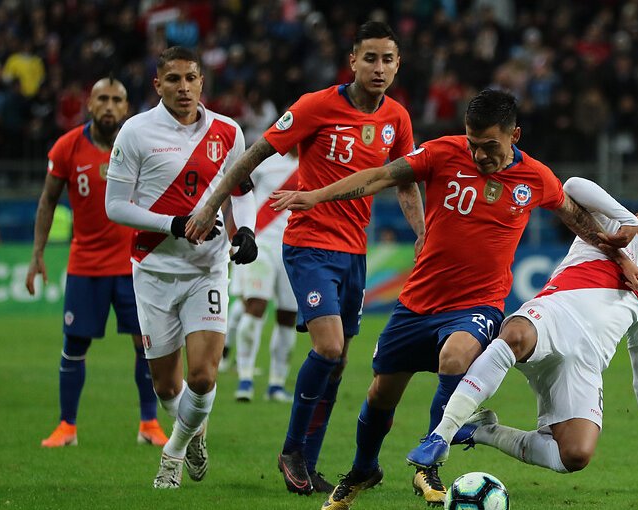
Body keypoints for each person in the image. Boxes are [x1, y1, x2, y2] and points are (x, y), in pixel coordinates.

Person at [270, 89, 638, 509]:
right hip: (418, 301)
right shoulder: (441, 153)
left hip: (478, 304)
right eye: (473, 143)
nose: (480, 155)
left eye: (490, 146)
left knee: (455, 356)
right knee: (381, 394)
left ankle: (430, 462)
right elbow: (379, 176)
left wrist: (620, 256)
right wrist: (317, 195)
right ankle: (362, 469)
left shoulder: (535, 177)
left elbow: (578, 219)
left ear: (514, 136)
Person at [185, 21, 425, 495]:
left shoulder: (396, 118)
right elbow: (254, 154)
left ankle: (309, 463)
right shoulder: (316, 105)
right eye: (370, 58)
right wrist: (212, 205)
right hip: (310, 243)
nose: (379, 68)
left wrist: (423, 235)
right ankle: (292, 448)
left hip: (354, 251)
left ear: (398, 65)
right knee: (330, 348)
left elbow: (405, 180)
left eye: (388, 60)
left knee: (338, 363)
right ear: (352, 61)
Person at [406, 181, 638, 497]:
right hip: (552, 318)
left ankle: (479, 431)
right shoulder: (612, 227)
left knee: (574, 455)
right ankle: (441, 435)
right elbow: (572, 186)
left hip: (584, 366)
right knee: (516, 334)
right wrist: (625, 226)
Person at [104, 46, 258, 489]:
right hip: (152, 269)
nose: (184, 87)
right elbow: (115, 205)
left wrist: (243, 230)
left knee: (204, 375)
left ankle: (172, 453)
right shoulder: (135, 132)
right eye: (174, 79)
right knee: (167, 387)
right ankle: (189, 434)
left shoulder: (228, 132)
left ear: (202, 81)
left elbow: (241, 189)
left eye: (191, 78)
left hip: (206, 269)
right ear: (158, 85)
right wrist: (172, 224)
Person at [26, 77, 169, 449]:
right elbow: (47, 201)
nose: (109, 106)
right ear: (89, 105)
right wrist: (37, 254)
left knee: (146, 344)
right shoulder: (67, 147)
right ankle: (67, 427)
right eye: (102, 99)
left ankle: (149, 423)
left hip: (134, 265)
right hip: (86, 266)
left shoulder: (142, 144)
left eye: (116, 100)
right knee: (74, 345)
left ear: (126, 107)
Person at [231, 151, 300, 403]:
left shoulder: (313, 161)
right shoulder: (264, 160)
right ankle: (245, 378)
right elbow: (239, 197)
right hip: (261, 244)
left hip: (294, 247)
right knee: (255, 306)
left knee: (287, 316)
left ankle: (276, 384)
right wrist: (235, 235)